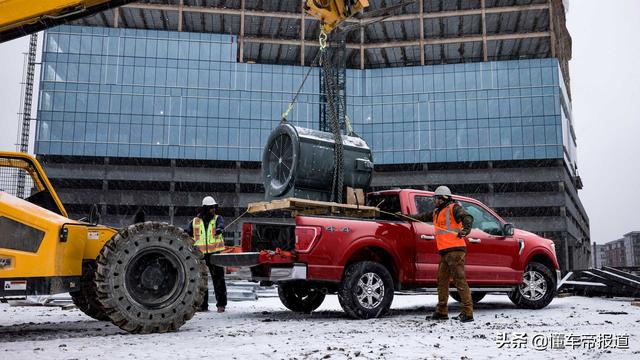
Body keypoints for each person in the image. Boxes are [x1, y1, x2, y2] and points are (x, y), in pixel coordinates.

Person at [414, 186, 475, 322]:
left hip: (455, 251)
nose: (434, 200)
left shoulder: (454, 208)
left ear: (443, 198)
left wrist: (465, 230)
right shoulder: (437, 212)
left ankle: (468, 312)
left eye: (436, 198)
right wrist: (405, 216)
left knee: (460, 281)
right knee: (442, 282)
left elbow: (468, 218)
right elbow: (421, 217)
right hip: (444, 252)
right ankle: (442, 311)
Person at [185, 196, 227, 313]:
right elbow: (186, 233)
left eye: (214, 207)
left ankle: (221, 305)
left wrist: (220, 229)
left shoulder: (218, 218)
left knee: (219, 279)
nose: (213, 210)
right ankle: (203, 305)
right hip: (200, 255)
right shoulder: (195, 221)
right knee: (202, 281)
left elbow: (221, 225)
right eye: (211, 208)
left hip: (215, 254)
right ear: (205, 208)